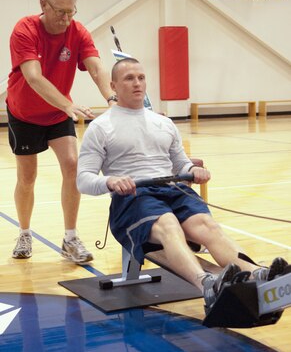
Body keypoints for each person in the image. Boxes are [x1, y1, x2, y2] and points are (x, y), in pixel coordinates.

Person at [76, 57, 290, 312]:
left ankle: (258, 274)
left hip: (172, 190)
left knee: (207, 226)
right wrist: (111, 181)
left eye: (141, 78)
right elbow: (83, 179)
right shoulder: (100, 127)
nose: (137, 83)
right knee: (168, 224)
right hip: (134, 197)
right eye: (129, 78)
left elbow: (181, 164)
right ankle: (207, 285)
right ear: (113, 85)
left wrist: (193, 170)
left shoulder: (163, 123)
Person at [6, 0, 117, 264]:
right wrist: (69, 104)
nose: (67, 19)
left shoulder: (78, 32)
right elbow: (33, 77)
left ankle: (70, 238)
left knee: (73, 166)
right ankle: (25, 233)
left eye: (71, 12)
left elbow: (96, 67)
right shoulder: (25, 29)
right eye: (60, 12)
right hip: (25, 114)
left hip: (57, 114)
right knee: (27, 178)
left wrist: (112, 99)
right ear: (43, 4)